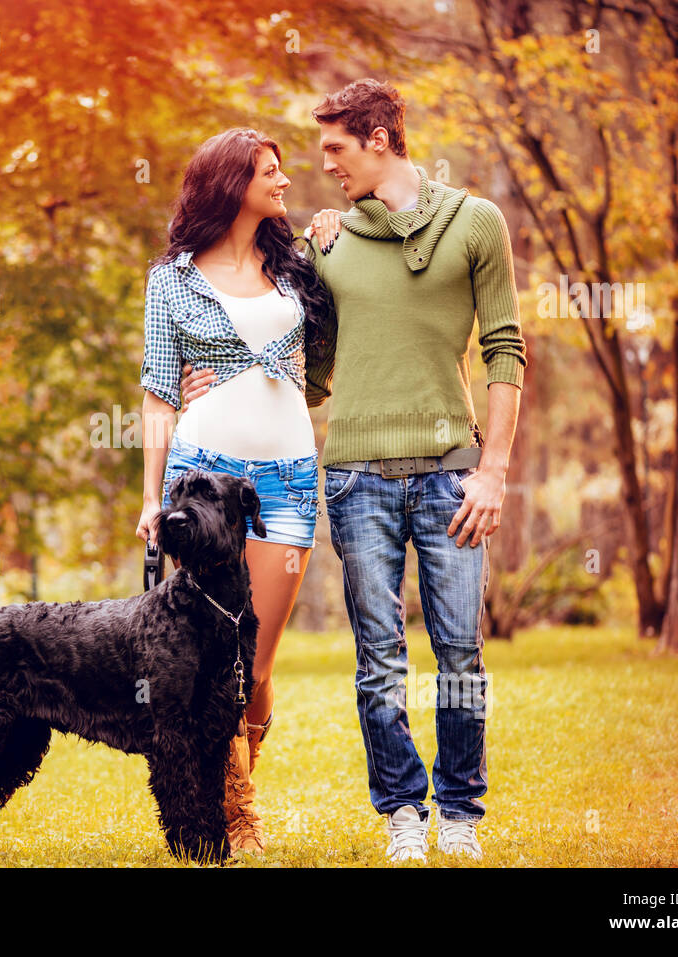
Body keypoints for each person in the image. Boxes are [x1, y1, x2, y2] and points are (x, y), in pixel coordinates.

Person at [181, 79, 526, 863]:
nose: (323, 166)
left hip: (452, 475)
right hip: (354, 478)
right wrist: (206, 383)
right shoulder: (326, 244)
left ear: (378, 137)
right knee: (378, 656)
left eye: (335, 147)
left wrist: (494, 470)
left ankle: (461, 812)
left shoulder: (477, 224)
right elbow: (301, 358)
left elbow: (506, 348)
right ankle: (404, 809)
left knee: (462, 653)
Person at [136, 127, 336, 855]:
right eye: (270, 172)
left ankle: (231, 792)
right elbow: (159, 397)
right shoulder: (173, 279)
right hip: (204, 480)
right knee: (212, 658)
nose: (285, 182)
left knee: (257, 666)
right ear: (231, 184)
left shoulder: (299, 263)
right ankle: (234, 815)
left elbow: (323, 366)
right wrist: (153, 500)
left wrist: (339, 226)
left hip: (287, 477)